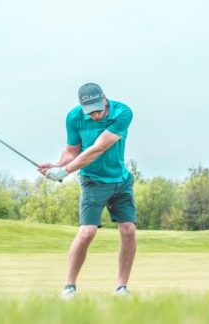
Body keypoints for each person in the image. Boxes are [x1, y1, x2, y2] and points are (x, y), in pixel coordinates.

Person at [39, 83, 136, 299]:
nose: (95, 114)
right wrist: (57, 166)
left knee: (128, 229)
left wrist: (64, 171)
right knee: (87, 232)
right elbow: (71, 151)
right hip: (93, 181)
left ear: (104, 97)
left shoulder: (123, 113)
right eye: (90, 111)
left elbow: (98, 148)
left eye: (98, 109)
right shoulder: (74, 118)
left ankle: (121, 288)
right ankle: (69, 288)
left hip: (120, 179)